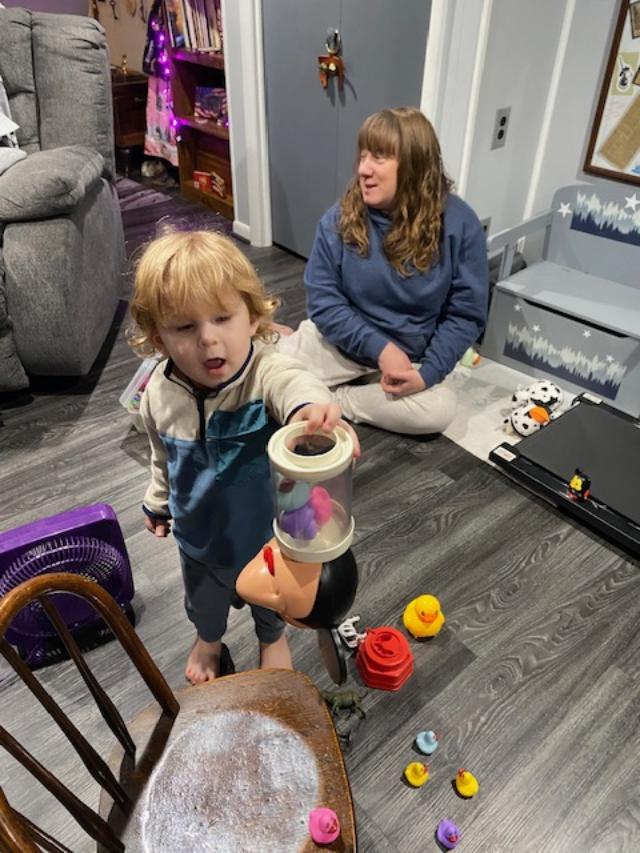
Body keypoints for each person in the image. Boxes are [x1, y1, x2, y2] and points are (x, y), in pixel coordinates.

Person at [128, 230, 358, 685]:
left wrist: (310, 411)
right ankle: (209, 640)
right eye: (185, 327)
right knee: (203, 605)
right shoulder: (157, 393)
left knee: (270, 604)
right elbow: (161, 457)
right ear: (159, 340)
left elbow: (292, 383)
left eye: (222, 318)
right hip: (199, 540)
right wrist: (157, 502)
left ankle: (272, 639)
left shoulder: (264, 371)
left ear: (252, 318)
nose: (208, 339)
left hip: (268, 539)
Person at [277, 106, 489, 435]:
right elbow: (323, 303)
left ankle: (337, 400)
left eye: (378, 158)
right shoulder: (337, 219)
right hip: (339, 345)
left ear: (414, 164)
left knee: (437, 410)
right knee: (265, 377)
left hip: (408, 360)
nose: (364, 169)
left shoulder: (460, 224)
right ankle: (324, 381)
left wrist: (428, 373)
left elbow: (465, 314)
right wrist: (380, 348)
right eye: (363, 156)